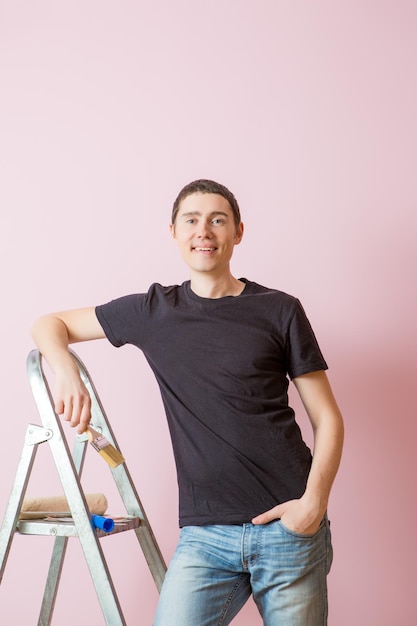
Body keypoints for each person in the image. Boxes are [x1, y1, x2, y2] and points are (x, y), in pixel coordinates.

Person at [31, 179, 344, 626]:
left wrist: (312, 504)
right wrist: (66, 370)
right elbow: (49, 324)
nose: (204, 230)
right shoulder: (154, 311)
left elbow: (328, 418)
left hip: (288, 528)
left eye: (218, 220)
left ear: (237, 231)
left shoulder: (280, 310)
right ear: (174, 232)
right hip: (205, 536)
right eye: (191, 220)